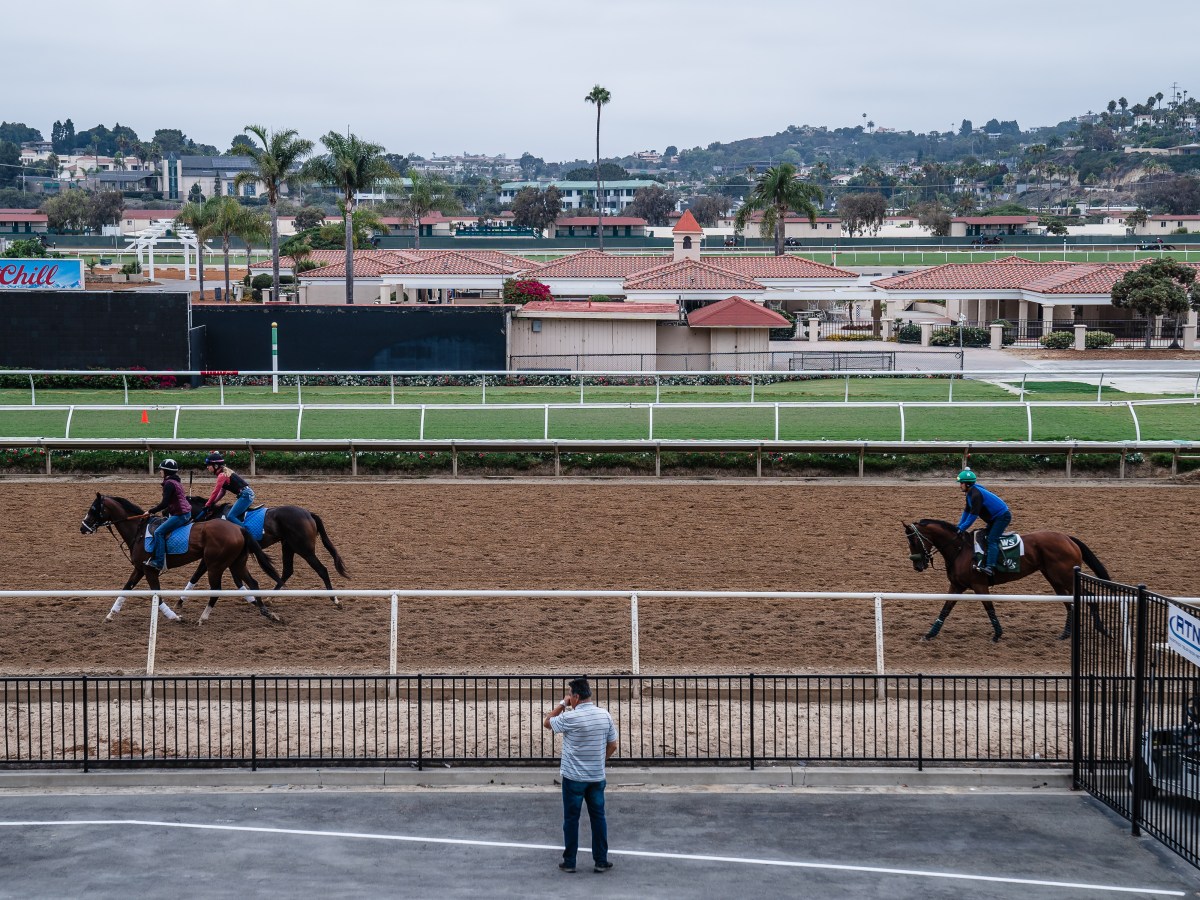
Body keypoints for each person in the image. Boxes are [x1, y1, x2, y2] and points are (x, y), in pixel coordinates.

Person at [543, 677, 618, 874]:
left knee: (571, 820)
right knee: (598, 818)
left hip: (573, 777)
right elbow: (613, 744)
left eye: (570, 695)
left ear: (575, 697)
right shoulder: (604, 715)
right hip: (596, 776)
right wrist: (601, 760)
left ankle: (569, 861)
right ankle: (601, 860)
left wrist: (561, 704)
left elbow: (547, 722)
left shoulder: (570, 717)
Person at [955, 468, 1012, 577]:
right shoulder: (970, 493)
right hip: (995, 518)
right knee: (983, 536)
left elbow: (972, 516)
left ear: (967, 484)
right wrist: (958, 526)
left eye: (961, 483)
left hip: (1002, 517)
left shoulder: (976, 495)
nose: (960, 485)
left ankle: (990, 567)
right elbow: (966, 511)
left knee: (991, 539)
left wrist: (961, 529)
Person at [146, 458, 190, 571]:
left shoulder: (169, 484)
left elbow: (164, 503)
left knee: (158, 532)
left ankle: (159, 562)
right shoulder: (175, 481)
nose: (160, 471)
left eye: (161, 470)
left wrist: (151, 511)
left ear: (166, 471)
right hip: (184, 513)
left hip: (180, 515)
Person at [201, 451, 254, 526]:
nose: (207, 467)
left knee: (230, 516)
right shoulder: (223, 473)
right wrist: (213, 503)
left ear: (216, 466)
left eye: (209, 465)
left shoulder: (222, 475)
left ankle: (246, 532)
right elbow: (222, 492)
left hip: (245, 495)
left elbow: (215, 492)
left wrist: (207, 504)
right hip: (246, 494)